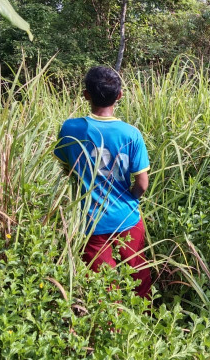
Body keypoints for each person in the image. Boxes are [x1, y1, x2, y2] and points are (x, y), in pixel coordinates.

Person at [54, 66, 152, 299]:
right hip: (127, 218)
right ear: (119, 96)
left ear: (86, 94)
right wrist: (130, 196)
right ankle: (147, 323)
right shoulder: (131, 134)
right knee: (139, 279)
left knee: (104, 288)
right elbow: (142, 183)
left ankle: (112, 330)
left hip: (90, 222)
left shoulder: (71, 128)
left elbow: (65, 168)